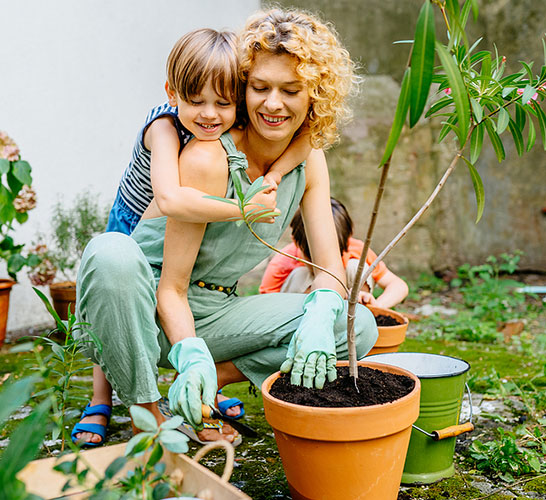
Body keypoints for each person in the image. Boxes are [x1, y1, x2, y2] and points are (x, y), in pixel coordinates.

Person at [74, 7, 377, 446]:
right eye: (260, 88)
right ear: (243, 88)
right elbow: (171, 288)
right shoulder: (206, 155)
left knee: (359, 325)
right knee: (110, 253)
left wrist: (323, 312)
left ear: (315, 95)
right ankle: (150, 414)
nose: (273, 104)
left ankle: (205, 387)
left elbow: (330, 269)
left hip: (220, 308)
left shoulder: (308, 161)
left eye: (291, 90)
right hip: (150, 312)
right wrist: (189, 353)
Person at [260, 198, 409, 308]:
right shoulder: (284, 261)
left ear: (348, 238)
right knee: (301, 275)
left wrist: (377, 306)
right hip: (297, 315)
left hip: (347, 310)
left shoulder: (355, 249)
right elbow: (265, 307)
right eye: (313, 259)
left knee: (355, 267)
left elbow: (398, 285)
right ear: (295, 241)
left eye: (333, 254)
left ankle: (358, 313)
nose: (321, 264)